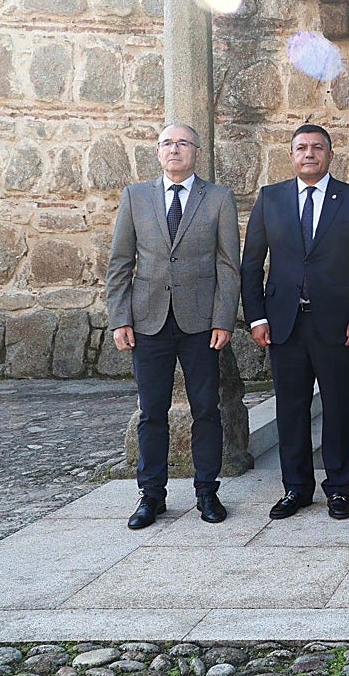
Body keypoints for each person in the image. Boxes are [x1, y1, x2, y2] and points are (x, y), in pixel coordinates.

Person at [241, 124, 349, 521]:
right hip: (283, 324)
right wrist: (257, 317)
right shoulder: (270, 199)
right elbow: (251, 264)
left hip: (339, 325)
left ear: (330, 155)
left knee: (339, 408)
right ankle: (296, 488)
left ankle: (338, 488)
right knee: (290, 409)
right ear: (291, 156)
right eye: (301, 147)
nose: (309, 154)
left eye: (317, 147)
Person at [105, 123, 240, 530]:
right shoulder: (135, 197)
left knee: (206, 410)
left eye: (183, 143)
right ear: (158, 152)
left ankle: (207, 491)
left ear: (197, 151)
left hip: (200, 323)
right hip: (148, 321)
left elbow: (228, 265)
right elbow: (120, 262)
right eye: (167, 143)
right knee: (151, 412)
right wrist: (120, 318)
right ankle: (151, 496)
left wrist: (223, 319)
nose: (174, 149)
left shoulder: (218, 198)